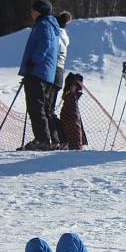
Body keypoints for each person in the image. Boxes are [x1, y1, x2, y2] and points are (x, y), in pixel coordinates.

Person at [18, 0, 60, 151]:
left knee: (35, 106)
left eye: (33, 10)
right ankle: (51, 139)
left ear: (39, 11)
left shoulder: (43, 24)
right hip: (43, 71)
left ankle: (42, 139)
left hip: (38, 71)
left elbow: (45, 44)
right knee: (43, 106)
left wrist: (33, 61)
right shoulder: (49, 24)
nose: (31, 13)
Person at [47, 10, 73, 149]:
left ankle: (61, 139)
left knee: (47, 110)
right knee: (48, 109)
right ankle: (57, 139)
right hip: (58, 73)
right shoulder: (63, 36)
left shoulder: (56, 37)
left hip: (53, 72)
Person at [59, 72, 87, 150]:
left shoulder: (71, 101)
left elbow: (74, 126)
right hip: (72, 143)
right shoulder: (70, 99)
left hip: (73, 146)